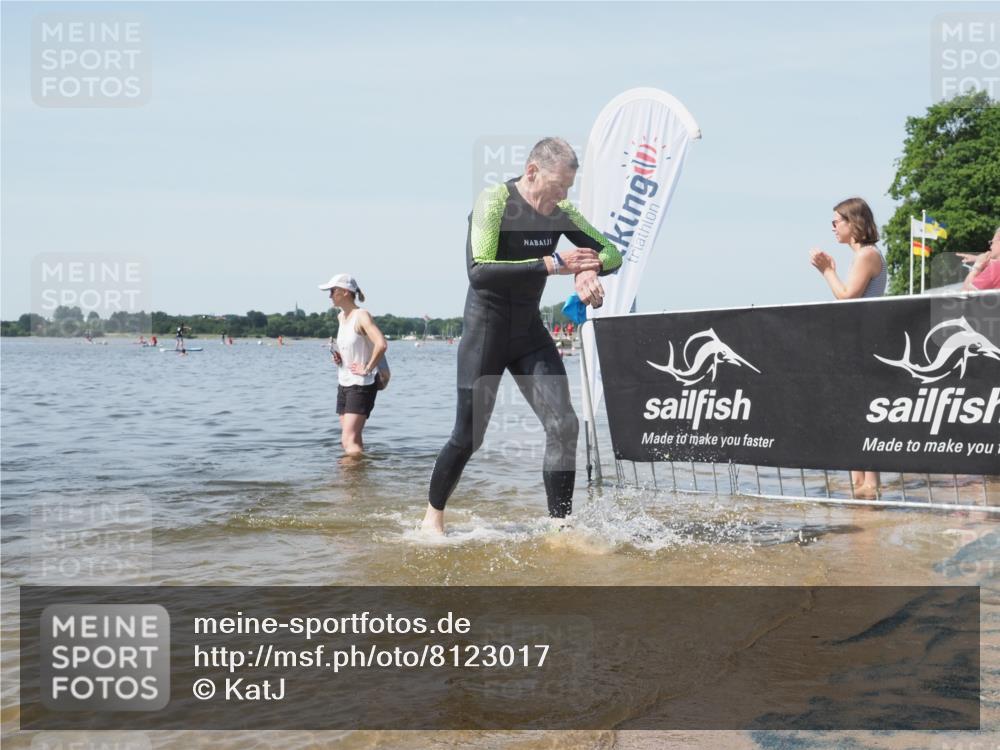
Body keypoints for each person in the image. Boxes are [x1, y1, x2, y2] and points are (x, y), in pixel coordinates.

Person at [423, 137, 622, 534]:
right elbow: (480, 271)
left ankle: (559, 529)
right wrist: (552, 264)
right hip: (487, 331)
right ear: (531, 172)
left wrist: (589, 268)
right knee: (468, 437)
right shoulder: (494, 202)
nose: (562, 197)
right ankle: (433, 518)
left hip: (528, 332)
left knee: (565, 425)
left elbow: (613, 253)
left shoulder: (561, 212)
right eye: (557, 187)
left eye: (568, 189)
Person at [809, 197, 886, 498]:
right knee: (854, 416)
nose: (832, 227)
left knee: (863, 415)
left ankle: (869, 487)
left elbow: (847, 296)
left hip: (865, 345)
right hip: (857, 343)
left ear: (853, 223)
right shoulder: (862, 256)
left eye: (836, 221)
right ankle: (860, 487)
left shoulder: (867, 254)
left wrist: (827, 270)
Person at [319, 273, 388, 455]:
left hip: (361, 385)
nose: (330, 295)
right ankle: (358, 481)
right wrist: (340, 357)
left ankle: (349, 480)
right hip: (344, 383)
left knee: (348, 439)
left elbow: (381, 344)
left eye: (332, 291)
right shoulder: (341, 317)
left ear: (345, 292)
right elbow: (354, 346)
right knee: (352, 439)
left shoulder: (362, 315)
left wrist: (367, 368)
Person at [960, 226, 1000, 291]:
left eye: (991, 242)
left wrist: (977, 267)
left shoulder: (995, 267)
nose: (990, 247)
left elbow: (965, 293)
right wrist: (977, 258)